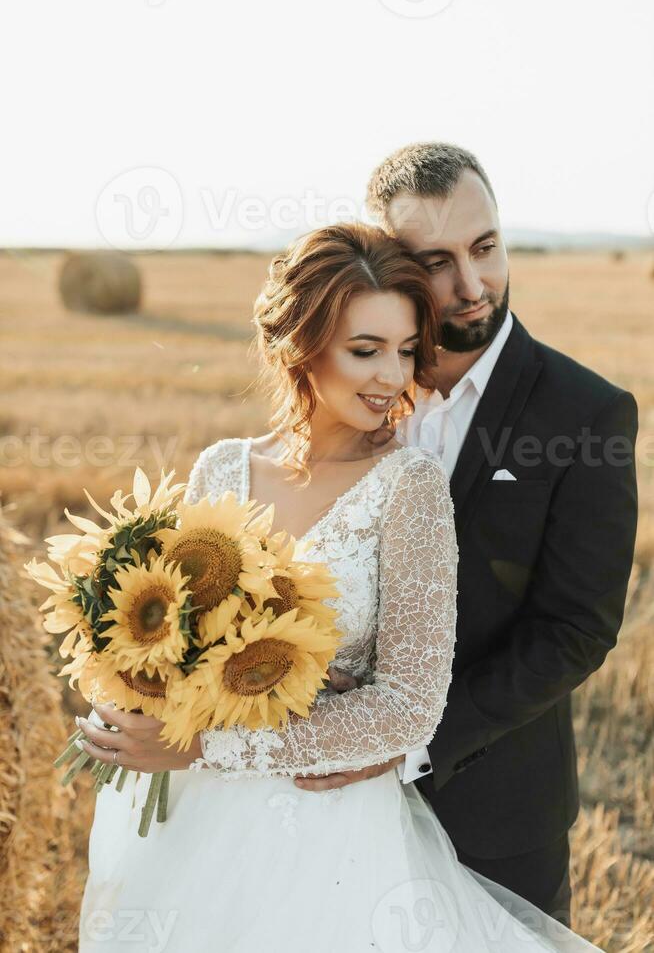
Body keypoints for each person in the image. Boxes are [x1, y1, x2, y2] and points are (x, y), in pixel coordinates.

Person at [77, 223, 604, 952]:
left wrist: (202, 749)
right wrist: (127, 687)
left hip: (325, 840)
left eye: (407, 350)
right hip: (187, 826)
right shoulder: (222, 469)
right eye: (366, 350)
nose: (393, 377)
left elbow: (408, 708)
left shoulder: (408, 487)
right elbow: (173, 639)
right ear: (300, 342)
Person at [294, 143, 639, 932]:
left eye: (485, 248)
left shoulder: (585, 414)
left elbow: (576, 630)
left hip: (495, 817)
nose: (473, 284)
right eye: (437, 261)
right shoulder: (349, 392)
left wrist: (405, 739)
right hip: (321, 810)